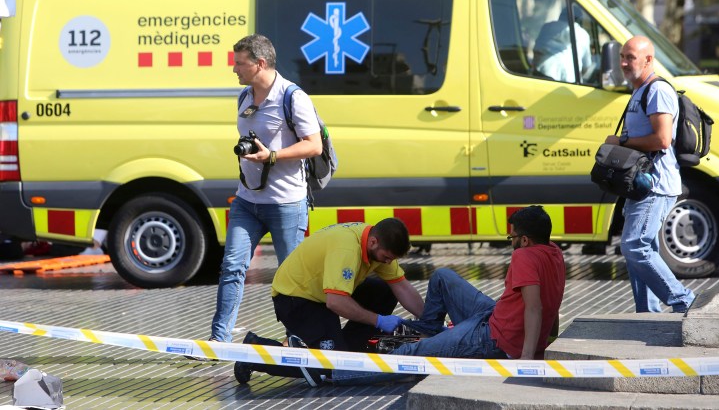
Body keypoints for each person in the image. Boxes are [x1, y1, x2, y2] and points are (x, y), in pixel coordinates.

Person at [329, 205, 565, 386]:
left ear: (525, 240)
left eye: (511, 237)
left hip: (493, 338)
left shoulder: (524, 256)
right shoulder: (554, 252)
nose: (510, 242)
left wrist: (525, 360)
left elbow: (535, 308)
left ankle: (335, 374)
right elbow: (552, 302)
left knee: (407, 355)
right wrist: (548, 340)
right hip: (493, 316)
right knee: (442, 277)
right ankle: (428, 332)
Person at [206, 33, 323, 345]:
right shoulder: (244, 96)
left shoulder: (292, 97)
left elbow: (314, 145)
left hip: (285, 203)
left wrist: (271, 155)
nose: (235, 70)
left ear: (259, 64)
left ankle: (296, 339)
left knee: (290, 276)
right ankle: (219, 341)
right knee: (231, 266)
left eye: (240, 64)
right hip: (247, 200)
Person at [233, 218, 425, 386]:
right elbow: (336, 302)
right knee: (332, 367)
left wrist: (428, 322)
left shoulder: (375, 242)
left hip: (321, 294)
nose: (387, 263)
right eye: (386, 257)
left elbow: (402, 287)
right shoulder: (347, 248)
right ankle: (255, 352)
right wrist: (378, 320)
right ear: (373, 242)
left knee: (385, 292)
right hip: (295, 299)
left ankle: (345, 349)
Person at [603, 35, 695, 313]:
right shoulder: (638, 91)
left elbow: (662, 139)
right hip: (640, 186)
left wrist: (620, 143)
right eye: (622, 56)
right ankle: (648, 315)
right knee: (640, 252)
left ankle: (685, 301)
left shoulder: (657, 91)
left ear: (648, 60)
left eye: (630, 57)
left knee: (635, 246)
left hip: (655, 185)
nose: (623, 62)